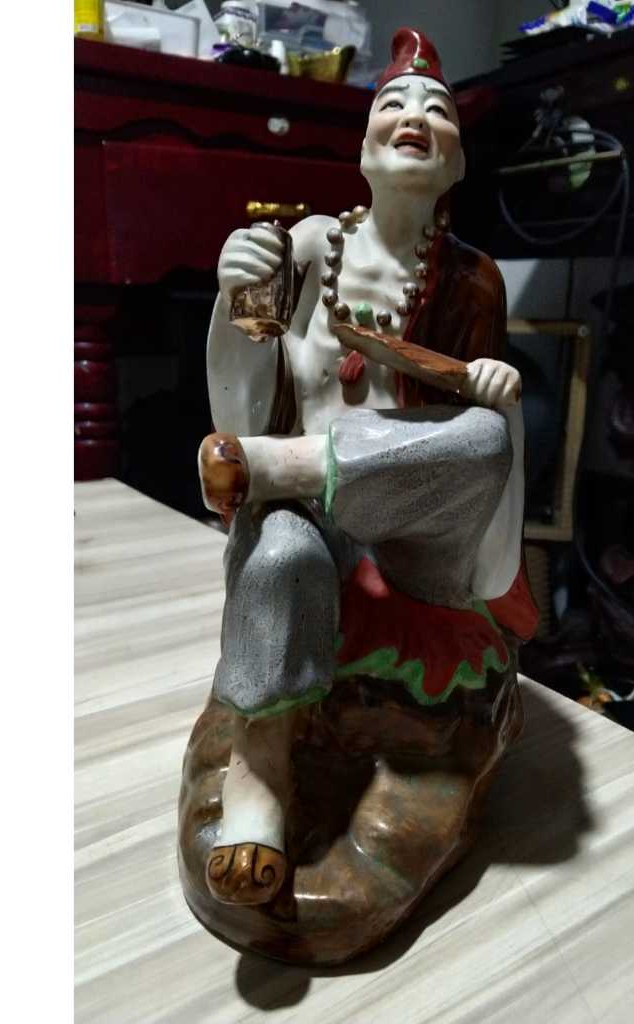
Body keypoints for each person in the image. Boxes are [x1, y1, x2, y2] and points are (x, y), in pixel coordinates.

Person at [197, 28, 537, 906]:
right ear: (362, 147)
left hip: (409, 533)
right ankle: (259, 774)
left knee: (485, 436)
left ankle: (285, 467)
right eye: (392, 104)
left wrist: (492, 393)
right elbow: (236, 417)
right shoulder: (310, 247)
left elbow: (480, 466)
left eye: (437, 110)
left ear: (458, 161)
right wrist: (234, 303)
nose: (413, 118)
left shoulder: (473, 281)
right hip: (304, 523)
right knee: (281, 554)